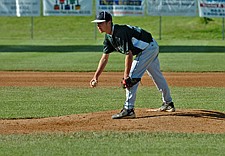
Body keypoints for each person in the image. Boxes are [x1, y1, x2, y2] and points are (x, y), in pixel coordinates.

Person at [90, 11, 175, 119]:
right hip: (150, 47)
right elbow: (104, 58)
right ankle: (168, 103)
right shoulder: (108, 37)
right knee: (156, 76)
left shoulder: (120, 33)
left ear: (109, 22)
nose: (98, 26)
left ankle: (128, 109)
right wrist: (96, 76)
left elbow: (129, 54)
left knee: (131, 77)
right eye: (97, 23)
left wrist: (126, 76)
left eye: (100, 23)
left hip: (148, 48)